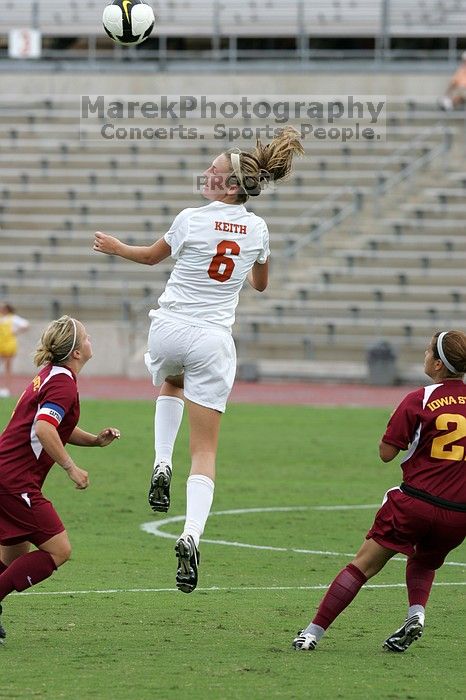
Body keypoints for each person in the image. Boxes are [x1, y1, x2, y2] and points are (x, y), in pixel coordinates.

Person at [93, 127, 304, 593]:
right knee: (205, 451)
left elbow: (150, 258)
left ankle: (160, 463)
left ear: (229, 185)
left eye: (213, 169)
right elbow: (261, 285)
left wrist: (114, 247)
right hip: (212, 338)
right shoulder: (258, 228)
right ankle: (191, 534)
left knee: (171, 381)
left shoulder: (190, 217)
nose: (206, 173)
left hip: (168, 328)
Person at [293, 330, 466, 653]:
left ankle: (311, 633)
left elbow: (386, 453)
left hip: (415, 504)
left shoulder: (420, 398)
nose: (425, 355)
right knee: (424, 561)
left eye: (429, 351)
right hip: (458, 515)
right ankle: (416, 614)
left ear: (439, 364)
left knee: (362, 566)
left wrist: (392, 426)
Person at [0, 315, 120, 642]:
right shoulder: (63, 382)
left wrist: (94, 440)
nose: (90, 340)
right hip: (15, 480)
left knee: (12, 558)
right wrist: (70, 467)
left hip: (7, 474)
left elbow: (54, 426)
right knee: (59, 550)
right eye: (87, 336)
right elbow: (43, 428)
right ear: (77, 351)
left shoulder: (51, 375)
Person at [0, 303, 30, 398]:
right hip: (1, 343)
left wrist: (15, 331)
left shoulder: (13, 318)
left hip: (9, 344)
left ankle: (6, 388)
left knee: (8, 367)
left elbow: (26, 325)